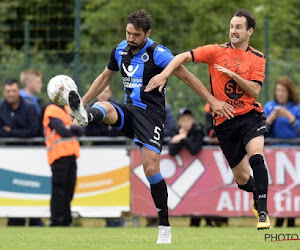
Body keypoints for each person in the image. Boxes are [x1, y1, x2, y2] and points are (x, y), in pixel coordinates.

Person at [67, 9, 233, 244]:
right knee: (104, 105)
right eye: (128, 33)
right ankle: (84, 115)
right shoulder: (120, 49)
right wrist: (81, 103)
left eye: (136, 35)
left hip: (152, 116)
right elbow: (105, 78)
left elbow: (187, 77)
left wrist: (212, 101)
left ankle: (164, 225)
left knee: (150, 169)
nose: (131, 38)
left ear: (147, 33)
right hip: (129, 110)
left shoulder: (158, 53)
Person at [146, 9, 270, 230]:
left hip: (250, 116)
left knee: (256, 157)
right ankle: (254, 193)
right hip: (224, 123)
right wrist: (165, 74)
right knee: (242, 179)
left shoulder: (257, 58)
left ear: (250, 31)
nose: (234, 30)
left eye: (239, 27)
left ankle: (263, 212)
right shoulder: (216, 51)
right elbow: (182, 57)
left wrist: (233, 75)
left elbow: (254, 90)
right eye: (232, 26)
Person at [0, 78, 43, 226]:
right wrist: (20, 133)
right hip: (10, 158)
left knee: (32, 185)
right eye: (8, 91)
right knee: (13, 186)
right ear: (4, 92)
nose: (11, 94)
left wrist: (10, 131)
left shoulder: (30, 107)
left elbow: (35, 130)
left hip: (31, 156)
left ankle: (35, 219)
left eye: (13, 91)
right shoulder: (1, 107)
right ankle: (14, 218)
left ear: (19, 91)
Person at [264, 77, 300, 227]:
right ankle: (278, 221)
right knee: (277, 187)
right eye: (277, 90)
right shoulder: (270, 107)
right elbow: (261, 133)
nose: (280, 93)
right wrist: (270, 119)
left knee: (293, 187)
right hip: (275, 154)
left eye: (283, 90)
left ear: (289, 92)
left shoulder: (297, 108)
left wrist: (290, 117)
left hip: (295, 155)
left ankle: (291, 220)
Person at [43, 99, 84, 227]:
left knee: (69, 190)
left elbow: (81, 130)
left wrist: (70, 127)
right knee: (59, 190)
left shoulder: (68, 109)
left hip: (71, 155)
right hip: (58, 155)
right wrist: (72, 127)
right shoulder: (51, 109)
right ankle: (56, 220)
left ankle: (67, 220)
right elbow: (62, 131)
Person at [169, 107, 210, 227]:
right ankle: (195, 223)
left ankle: (208, 221)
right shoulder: (178, 131)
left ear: (192, 120)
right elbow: (172, 151)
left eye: (188, 119)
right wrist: (180, 137)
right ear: (179, 122)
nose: (186, 122)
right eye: (183, 120)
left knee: (203, 196)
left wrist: (184, 138)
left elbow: (194, 149)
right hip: (187, 172)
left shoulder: (198, 129)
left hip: (203, 169)